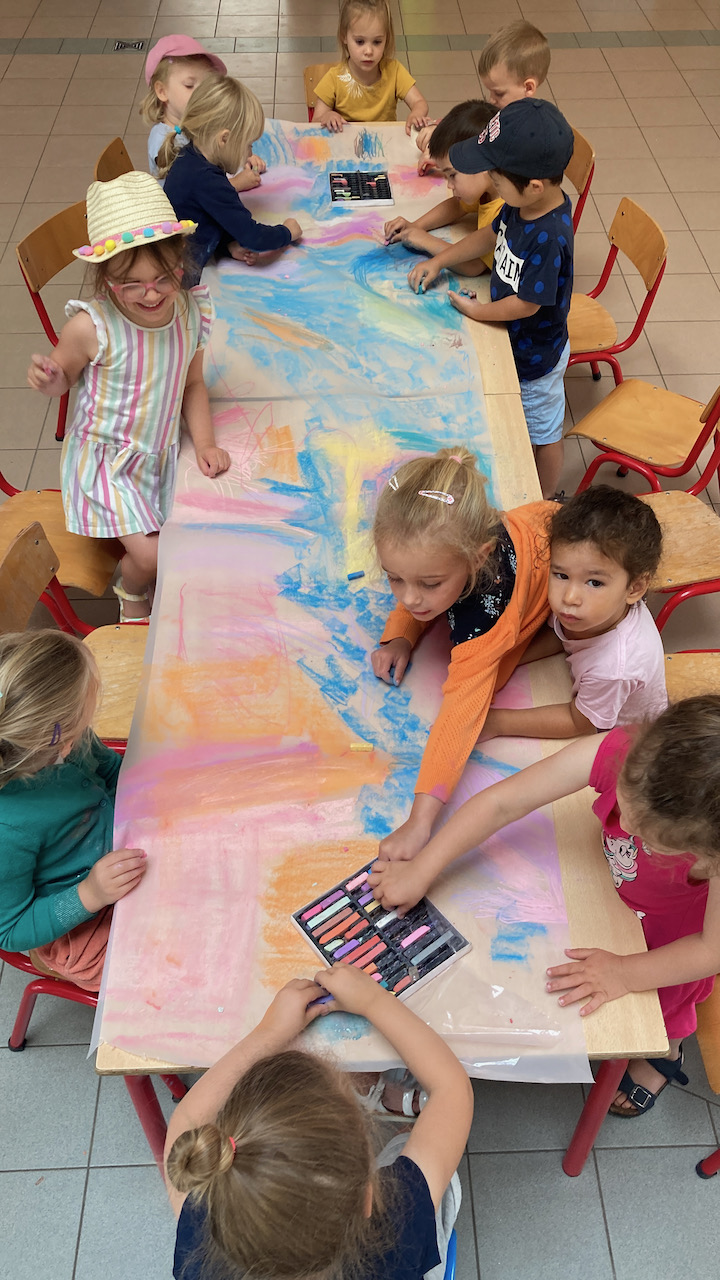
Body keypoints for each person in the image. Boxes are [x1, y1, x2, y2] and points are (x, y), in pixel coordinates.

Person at [370, 696, 720, 1118]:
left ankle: (668, 1054)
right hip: (611, 899)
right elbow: (504, 802)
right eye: (626, 802)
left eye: (649, 834)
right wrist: (425, 866)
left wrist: (625, 973)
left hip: (673, 941)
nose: (624, 825)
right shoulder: (631, 751)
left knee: (662, 1014)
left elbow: (709, 951)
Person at [165, 964, 473, 1279]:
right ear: (368, 1198)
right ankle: (405, 1133)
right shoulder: (397, 1229)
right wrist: (373, 1002)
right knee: (424, 1159)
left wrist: (269, 1032)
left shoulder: (200, 1244)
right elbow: (452, 1090)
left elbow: (186, 1120)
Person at [27, 171, 230, 622]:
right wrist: (50, 378)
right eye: (131, 283)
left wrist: (206, 443)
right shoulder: (91, 327)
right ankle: (130, 589)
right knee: (154, 555)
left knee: (201, 532)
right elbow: (63, 378)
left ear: (181, 261)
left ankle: (147, 571)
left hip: (158, 455)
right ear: (105, 278)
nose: (151, 294)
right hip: (106, 465)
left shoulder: (189, 312)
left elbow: (192, 385)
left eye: (163, 277)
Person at [371, 446, 554, 861]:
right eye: (394, 578)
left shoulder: (485, 619)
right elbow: (417, 590)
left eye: (429, 584)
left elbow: (460, 715)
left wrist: (420, 823)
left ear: (478, 558)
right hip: (533, 525)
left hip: (555, 570)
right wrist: (400, 635)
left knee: (493, 676)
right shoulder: (448, 550)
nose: (409, 598)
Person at [409, 99, 574, 502]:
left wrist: (479, 311)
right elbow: (489, 235)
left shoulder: (550, 235)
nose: (493, 189)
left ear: (533, 186)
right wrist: (441, 260)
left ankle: (543, 502)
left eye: (496, 183)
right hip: (511, 339)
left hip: (536, 357)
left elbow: (527, 304)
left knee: (542, 433)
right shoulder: (520, 205)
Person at [0, 631, 147, 991]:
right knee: (159, 965)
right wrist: (91, 894)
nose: (87, 730)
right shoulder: (7, 829)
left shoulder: (66, 738)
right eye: (83, 721)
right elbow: (11, 930)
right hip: (76, 919)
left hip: (121, 850)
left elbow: (111, 770)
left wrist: (147, 795)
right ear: (58, 739)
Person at [481, 486, 668, 742]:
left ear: (634, 588)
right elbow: (561, 636)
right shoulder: (591, 615)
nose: (569, 597)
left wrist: (498, 723)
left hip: (620, 737)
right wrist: (505, 659)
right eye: (561, 575)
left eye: (594, 583)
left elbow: (579, 722)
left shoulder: (615, 667)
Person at [161, 74, 302, 280]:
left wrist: (226, 246)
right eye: (248, 145)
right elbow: (253, 237)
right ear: (224, 139)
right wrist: (287, 232)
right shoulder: (209, 181)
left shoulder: (190, 157)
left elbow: (204, 217)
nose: (250, 152)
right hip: (181, 278)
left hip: (179, 255)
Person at [415, 20, 550, 174]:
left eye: (498, 93)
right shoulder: (503, 112)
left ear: (528, 88)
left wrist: (448, 162)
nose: (491, 99)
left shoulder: (529, 137)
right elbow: (471, 132)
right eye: (489, 91)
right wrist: (441, 136)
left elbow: (486, 173)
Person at [385, 100, 502, 277]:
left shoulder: (504, 211)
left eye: (452, 175)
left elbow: (474, 265)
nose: (449, 185)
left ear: (483, 164)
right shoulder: (487, 187)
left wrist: (425, 240)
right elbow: (457, 206)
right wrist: (416, 225)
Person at [140, 33, 266, 190]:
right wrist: (236, 183)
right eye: (189, 85)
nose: (201, 93)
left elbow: (214, 151)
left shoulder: (196, 125)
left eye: (206, 85)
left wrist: (238, 154)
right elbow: (193, 190)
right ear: (162, 91)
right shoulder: (162, 140)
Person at [313, 0, 431, 135]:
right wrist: (327, 116)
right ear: (344, 37)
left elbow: (419, 102)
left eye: (377, 42)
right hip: (345, 145)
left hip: (385, 143)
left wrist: (416, 113)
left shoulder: (394, 70)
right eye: (360, 42)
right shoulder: (333, 78)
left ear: (387, 38)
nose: (369, 51)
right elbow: (315, 120)